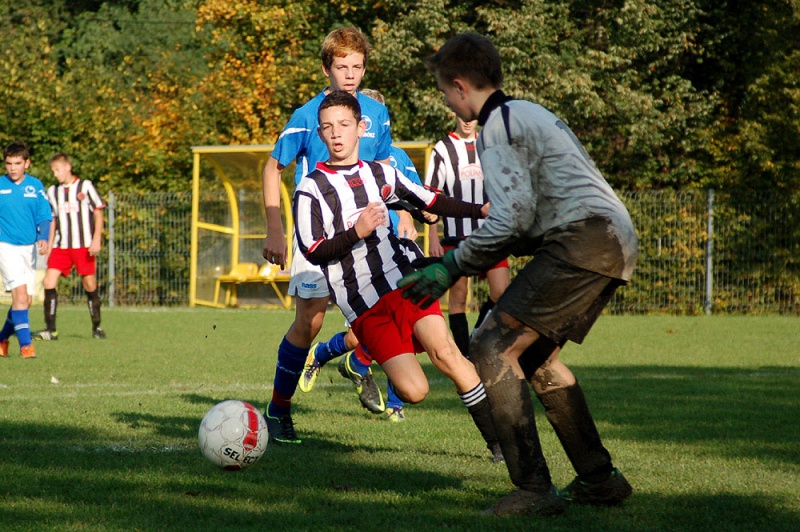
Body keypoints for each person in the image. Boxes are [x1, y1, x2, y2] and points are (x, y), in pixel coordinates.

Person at [399, 33, 638, 516]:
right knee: (532, 358)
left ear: (461, 86)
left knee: (490, 345)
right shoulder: (528, 111)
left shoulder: (497, 126)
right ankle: (599, 478)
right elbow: (527, 219)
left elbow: (510, 221)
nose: (446, 100)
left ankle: (533, 488)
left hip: (586, 242)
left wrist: (452, 264)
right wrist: (462, 257)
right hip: (609, 240)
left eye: (445, 91)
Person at [294, 89, 500, 461]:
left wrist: (479, 210)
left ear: (361, 128)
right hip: (364, 306)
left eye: (344, 125)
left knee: (448, 354)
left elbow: (430, 199)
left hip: (404, 284)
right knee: (414, 391)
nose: (336, 133)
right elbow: (313, 249)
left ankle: (502, 446)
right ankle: (350, 361)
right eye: (328, 128)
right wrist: (355, 233)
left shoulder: (381, 174)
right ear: (321, 134)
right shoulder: (311, 189)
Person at [261, 27, 416, 443]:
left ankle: (360, 365)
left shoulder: (375, 115)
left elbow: (387, 171)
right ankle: (279, 410)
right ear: (326, 68)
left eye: (357, 66)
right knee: (308, 322)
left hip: (369, 240)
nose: (350, 74)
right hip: (320, 239)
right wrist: (275, 227)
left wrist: (403, 213)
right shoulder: (306, 115)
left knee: (388, 312)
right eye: (342, 66)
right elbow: (273, 168)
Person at [299, 88, 427, 423]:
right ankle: (333, 354)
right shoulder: (341, 171)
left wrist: (410, 220)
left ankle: (395, 403)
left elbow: (415, 198)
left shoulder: (395, 158)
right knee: (365, 334)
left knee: (408, 329)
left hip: (400, 253)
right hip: (360, 267)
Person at [425, 115, 510, 358]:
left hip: (489, 234)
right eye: (463, 116)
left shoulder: (489, 146)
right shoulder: (442, 149)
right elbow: (432, 196)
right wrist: (433, 235)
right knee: (458, 298)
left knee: (501, 294)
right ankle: (465, 357)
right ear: (453, 113)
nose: (467, 120)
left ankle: (475, 337)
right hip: (455, 235)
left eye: (472, 116)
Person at [32, 153, 107, 341]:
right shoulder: (52, 191)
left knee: (89, 284)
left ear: (68, 168)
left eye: (57, 170)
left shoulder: (85, 186)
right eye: (53, 171)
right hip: (61, 245)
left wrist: (97, 239)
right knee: (49, 282)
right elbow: (53, 220)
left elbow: (98, 213)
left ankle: (97, 326)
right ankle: (51, 330)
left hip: (84, 245)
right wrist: (49, 245)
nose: (55, 174)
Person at [0, 141, 52, 359]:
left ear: (27, 163)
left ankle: (2, 340)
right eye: (9, 163)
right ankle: (26, 347)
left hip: (28, 249)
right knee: (21, 296)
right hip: (5, 246)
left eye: (17, 163)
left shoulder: (35, 186)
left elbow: (44, 215)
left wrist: (42, 238)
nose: (12, 168)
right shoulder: (0, 184)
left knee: (25, 301)